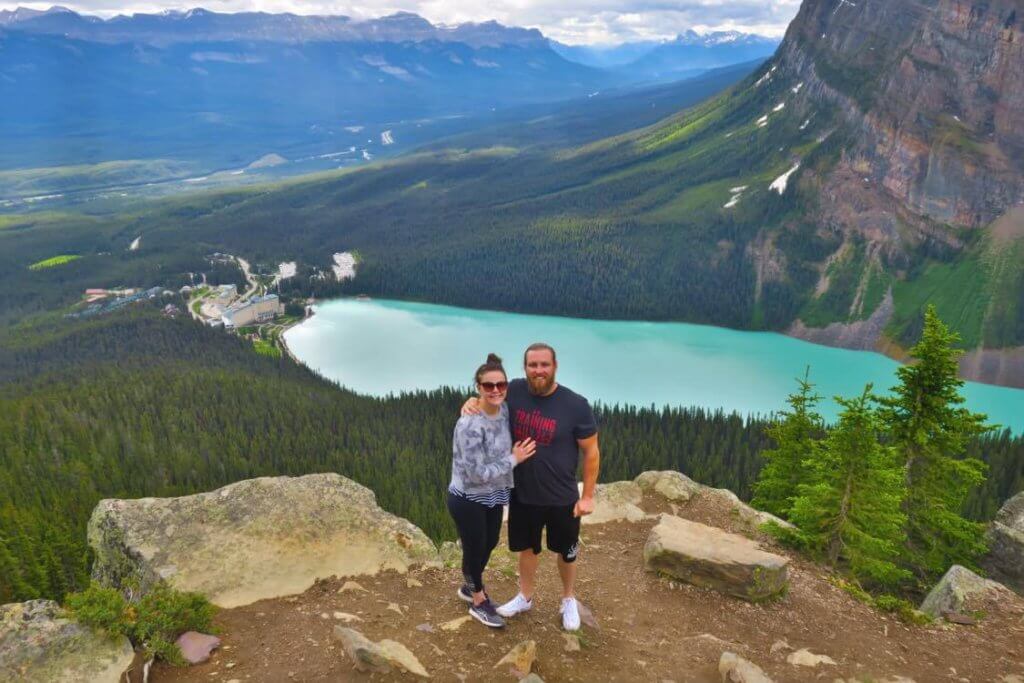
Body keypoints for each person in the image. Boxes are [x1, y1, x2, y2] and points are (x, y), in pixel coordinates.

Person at [463, 342, 600, 631]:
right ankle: (525, 596)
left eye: (544, 365)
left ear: (555, 366)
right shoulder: (514, 391)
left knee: (567, 552)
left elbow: (591, 451)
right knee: (527, 549)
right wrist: (472, 402)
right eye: (532, 365)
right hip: (523, 493)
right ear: (525, 367)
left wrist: (587, 496)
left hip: (562, 496)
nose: (538, 371)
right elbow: (490, 394)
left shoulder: (576, 405)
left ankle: (567, 599)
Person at [448, 353, 536, 628]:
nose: (495, 390)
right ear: (478, 387)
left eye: (501, 385)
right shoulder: (469, 425)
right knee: (475, 548)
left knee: (489, 543)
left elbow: (535, 379)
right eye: (488, 386)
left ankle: (469, 586)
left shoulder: (505, 409)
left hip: (494, 495)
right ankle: (477, 600)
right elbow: (475, 475)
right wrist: (514, 459)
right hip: (468, 497)